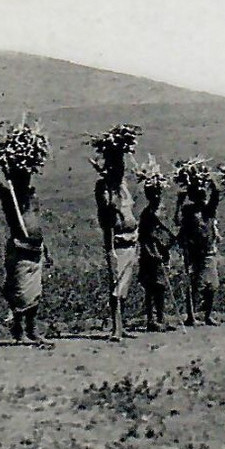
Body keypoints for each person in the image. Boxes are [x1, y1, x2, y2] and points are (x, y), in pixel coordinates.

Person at [0, 159, 50, 346]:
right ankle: (19, 329)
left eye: (27, 175)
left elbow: (37, 222)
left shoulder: (32, 198)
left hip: (36, 249)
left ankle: (32, 329)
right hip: (20, 249)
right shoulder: (10, 197)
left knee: (35, 293)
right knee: (21, 292)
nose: (26, 179)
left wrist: (45, 249)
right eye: (22, 176)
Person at [93, 140, 140, 342]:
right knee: (116, 287)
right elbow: (108, 210)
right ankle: (116, 327)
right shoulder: (104, 187)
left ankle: (122, 325)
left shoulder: (123, 187)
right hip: (117, 243)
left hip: (131, 242)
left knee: (124, 286)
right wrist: (109, 183)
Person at [175, 172, 221, 326]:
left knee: (212, 286)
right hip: (194, 252)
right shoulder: (188, 210)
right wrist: (179, 203)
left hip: (209, 251)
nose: (202, 196)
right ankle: (191, 316)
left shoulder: (209, 210)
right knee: (195, 285)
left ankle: (208, 315)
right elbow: (179, 223)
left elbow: (216, 194)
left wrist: (210, 180)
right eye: (198, 193)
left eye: (203, 193)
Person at [137, 178, 176, 332]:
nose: (157, 196)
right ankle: (151, 319)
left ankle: (161, 317)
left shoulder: (160, 213)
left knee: (161, 287)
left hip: (162, 254)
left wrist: (167, 247)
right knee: (151, 288)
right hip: (150, 257)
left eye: (159, 193)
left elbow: (166, 234)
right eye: (153, 194)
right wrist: (153, 254)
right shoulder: (147, 214)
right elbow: (144, 238)